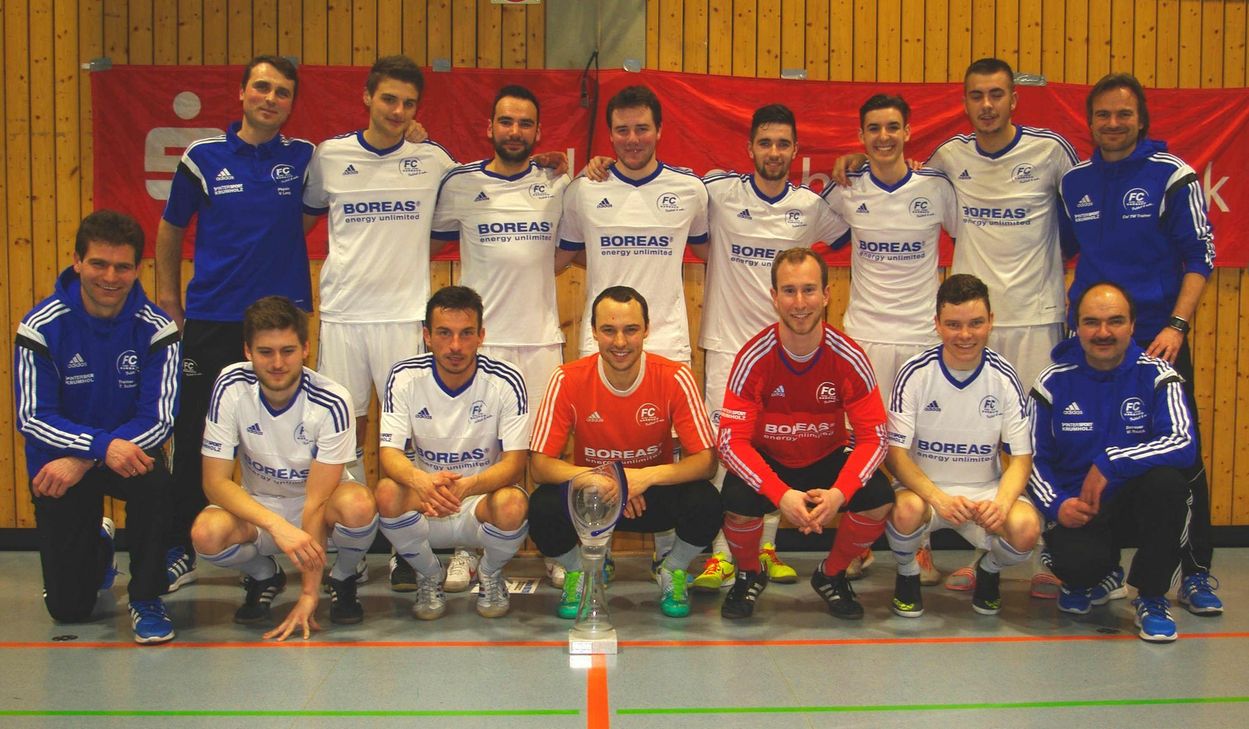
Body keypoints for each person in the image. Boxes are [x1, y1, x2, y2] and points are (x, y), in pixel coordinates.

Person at [836, 57, 1078, 596]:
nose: (987, 105)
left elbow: (1083, 221)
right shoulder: (949, 160)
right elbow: (892, 183)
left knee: (1032, 437)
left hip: (1036, 316)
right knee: (920, 435)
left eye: (997, 94)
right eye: (976, 96)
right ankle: (914, 542)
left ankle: (1043, 556)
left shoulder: (1051, 151)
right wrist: (862, 159)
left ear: (1014, 98)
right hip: (964, 326)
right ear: (964, 102)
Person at [1059, 72, 1221, 616]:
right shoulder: (1074, 181)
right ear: (1090, 122)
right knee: (1087, 445)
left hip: (1157, 341)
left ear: (1141, 119)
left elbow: (1201, 257)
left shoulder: (1173, 176)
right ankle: (1097, 564)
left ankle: (1195, 572)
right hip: (1090, 340)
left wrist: (1176, 325)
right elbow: (1059, 254)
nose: (1112, 123)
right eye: (1102, 114)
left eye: (1123, 114)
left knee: (1179, 460)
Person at [156, 55, 315, 592]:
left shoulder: (305, 158)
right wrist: (168, 300)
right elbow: (171, 228)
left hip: (283, 326)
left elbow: (365, 152)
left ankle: (308, 544)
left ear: (293, 103)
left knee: (286, 434)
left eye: (283, 92)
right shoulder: (202, 158)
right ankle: (180, 544)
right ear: (243, 92)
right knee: (197, 431)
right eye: (262, 88)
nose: (271, 98)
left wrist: (411, 129)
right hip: (214, 319)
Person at [693, 104, 850, 592]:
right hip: (726, 348)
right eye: (766, 143)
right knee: (729, 454)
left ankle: (766, 549)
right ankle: (723, 556)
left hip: (786, 355)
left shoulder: (810, 206)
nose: (774, 152)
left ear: (795, 151)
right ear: (750, 148)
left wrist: (855, 166)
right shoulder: (718, 194)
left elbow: (846, 233)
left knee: (779, 450)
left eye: (783, 144)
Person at [430, 85, 575, 592]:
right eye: (506, 122)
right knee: (477, 451)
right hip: (479, 346)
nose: (515, 132)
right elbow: (417, 233)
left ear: (538, 132)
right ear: (490, 127)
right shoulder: (459, 184)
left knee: (540, 454)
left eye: (525, 124)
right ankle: (468, 551)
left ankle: (554, 548)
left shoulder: (557, 185)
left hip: (537, 339)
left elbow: (566, 252)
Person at [16, 210, 180, 644]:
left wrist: (90, 456)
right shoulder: (41, 326)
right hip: (58, 467)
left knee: (154, 481)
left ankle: (146, 597)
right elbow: (32, 416)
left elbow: (159, 419)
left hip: (122, 457)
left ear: (137, 268)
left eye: (123, 266)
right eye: (98, 264)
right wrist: (97, 449)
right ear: (77, 261)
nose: (111, 277)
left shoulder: (157, 329)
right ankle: (100, 544)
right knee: (68, 611)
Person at [302, 55, 456, 487]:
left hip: (405, 316)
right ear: (367, 96)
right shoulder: (330, 156)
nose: (397, 111)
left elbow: (481, 190)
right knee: (342, 430)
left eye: (408, 104)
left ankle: (404, 544)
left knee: (409, 433)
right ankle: (350, 532)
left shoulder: (432, 159)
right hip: (344, 314)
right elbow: (302, 219)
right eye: (388, 99)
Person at [717, 248, 893, 620]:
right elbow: (731, 443)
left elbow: (874, 438)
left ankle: (831, 574)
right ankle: (749, 574)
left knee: (878, 495)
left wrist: (839, 493)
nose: (800, 303)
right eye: (789, 291)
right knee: (735, 497)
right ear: (774, 297)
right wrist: (779, 495)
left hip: (826, 458)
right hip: (773, 460)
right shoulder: (752, 357)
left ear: (827, 295)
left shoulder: (849, 357)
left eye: (809, 290)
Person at [528, 286, 720, 619]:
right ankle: (582, 572)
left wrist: (643, 478)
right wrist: (603, 478)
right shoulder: (567, 379)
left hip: (650, 494)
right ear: (593, 332)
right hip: (594, 499)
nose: (620, 342)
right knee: (542, 506)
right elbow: (540, 466)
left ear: (647, 329)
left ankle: (670, 568)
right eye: (609, 330)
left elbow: (706, 461)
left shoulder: (675, 377)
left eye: (631, 330)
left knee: (708, 501)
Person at [191, 297, 378, 639]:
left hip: (321, 505)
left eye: (288, 351)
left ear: (306, 349)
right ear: (247, 351)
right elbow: (214, 483)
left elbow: (316, 502)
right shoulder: (230, 386)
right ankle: (265, 575)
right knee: (206, 533)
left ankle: (344, 575)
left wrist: (308, 594)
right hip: (261, 506)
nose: (277, 363)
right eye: (266, 352)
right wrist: (276, 526)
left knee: (359, 505)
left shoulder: (332, 400)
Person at [1028, 283, 1195, 642]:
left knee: (1169, 484)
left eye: (1115, 321)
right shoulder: (1052, 381)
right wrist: (1057, 505)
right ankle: (1097, 575)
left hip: (1136, 507)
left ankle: (1150, 597)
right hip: (1080, 508)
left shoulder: (1158, 375)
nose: (1103, 332)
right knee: (1076, 572)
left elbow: (1183, 443)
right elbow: (1033, 459)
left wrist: (1112, 461)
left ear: (1133, 325)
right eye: (1092, 322)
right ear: (1077, 326)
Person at [884, 274, 1040, 617]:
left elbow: (1021, 459)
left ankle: (989, 570)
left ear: (991, 322)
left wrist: (1001, 503)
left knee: (1026, 529)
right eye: (953, 324)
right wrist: (938, 498)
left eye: (975, 323)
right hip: (927, 493)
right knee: (904, 511)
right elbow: (895, 456)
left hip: (985, 491)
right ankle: (908, 572)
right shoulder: (915, 372)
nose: (965, 335)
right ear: (937, 324)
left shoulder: (1004, 376)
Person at [376, 286, 531, 620]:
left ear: (481, 336)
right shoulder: (404, 376)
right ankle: (429, 575)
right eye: (445, 333)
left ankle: (489, 574)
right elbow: (389, 455)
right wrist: (421, 481)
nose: (456, 346)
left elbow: (515, 464)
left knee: (514, 503)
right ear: (427, 336)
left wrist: (466, 487)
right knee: (387, 493)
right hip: (426, 500)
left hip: (478, 500)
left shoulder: (507, 380)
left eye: (466, 334)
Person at [559, 85, 709, 365]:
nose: (632, 139)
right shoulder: (583, 191)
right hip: (601, 346)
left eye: (642, 129)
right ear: (610, 134)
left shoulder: (690, 190)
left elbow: (709, 252)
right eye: (622, 130)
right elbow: (563, 256)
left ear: (659, 130)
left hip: (667, 345)